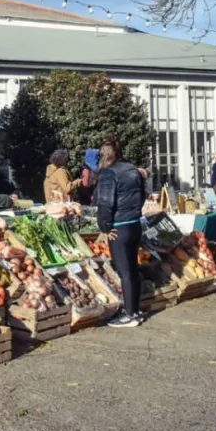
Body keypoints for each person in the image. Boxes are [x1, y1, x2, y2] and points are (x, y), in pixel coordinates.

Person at [95, 139, 147, 328]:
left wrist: (105, 227)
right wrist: (135, 212)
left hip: (119, 226)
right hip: (134, 224)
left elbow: (105, 203)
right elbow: (143, 193)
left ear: (104, 155)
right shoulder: (132, 169)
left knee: (125, 271)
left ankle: (130, 314)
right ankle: (136, 309)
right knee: (132, 269)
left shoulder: (108, 174)